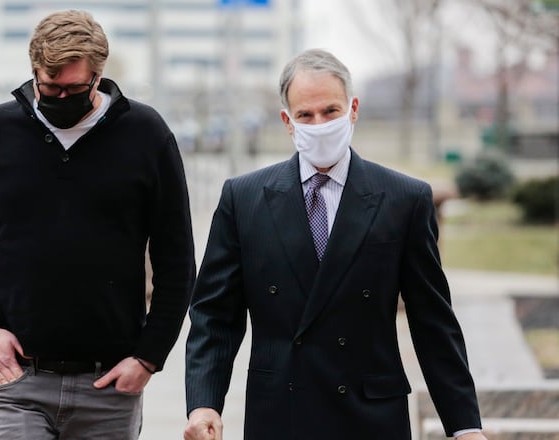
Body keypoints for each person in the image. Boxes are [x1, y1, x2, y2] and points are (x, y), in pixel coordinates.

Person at [183, 49, 487, 440]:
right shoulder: (244, 199)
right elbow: (214, 315)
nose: (320, 125)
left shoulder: (404, 199)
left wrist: (465, 426)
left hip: (371, 417)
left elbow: (432, 321)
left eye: (330, 111)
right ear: (287, 122)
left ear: (353, 109)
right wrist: (204, 403)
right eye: (305, 115)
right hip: (280, 414)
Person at [0, 9, 195, 440]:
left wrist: (148, 357)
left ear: (98, 76)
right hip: (18, 381)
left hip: (109, 386)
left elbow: (177, 261)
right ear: (34, 72)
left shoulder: (147, 135)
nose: (61, 97)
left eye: (75, 89)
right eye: (50, 87)